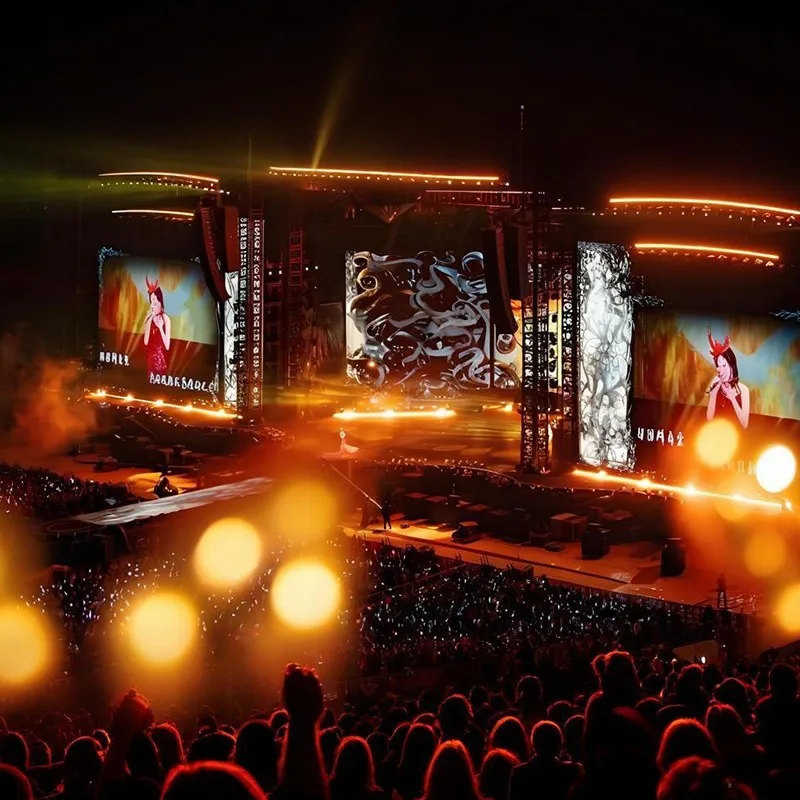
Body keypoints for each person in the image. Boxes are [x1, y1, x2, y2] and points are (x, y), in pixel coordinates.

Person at [706, 331, 750, 429]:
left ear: (732, 366)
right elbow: (709, 418)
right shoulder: (716, 388)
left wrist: (732, 399)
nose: (720, 370)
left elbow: (745, 424)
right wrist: (714, 392)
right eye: (718, 366)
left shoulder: (743, 390)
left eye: (724, 365)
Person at [143, 277, 171, 380]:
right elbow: (145, 342)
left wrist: (160, 328)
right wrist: (148, 320)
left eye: (155, 303)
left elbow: (167, 346)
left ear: (161, 303)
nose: (153, 306)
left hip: (162, 361)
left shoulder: (166, 319)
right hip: (150, 361)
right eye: (151, 303)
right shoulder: (150, 319)